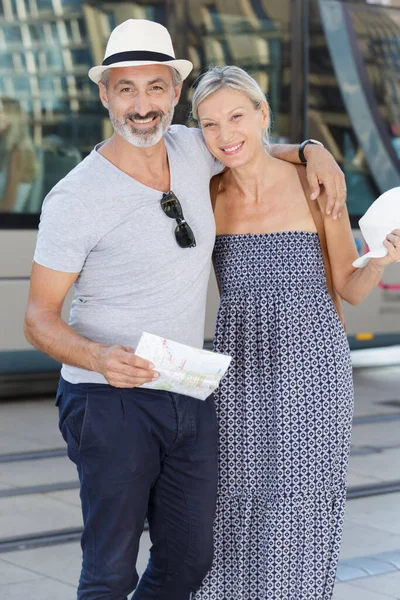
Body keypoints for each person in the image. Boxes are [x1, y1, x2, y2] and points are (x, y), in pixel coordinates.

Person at [24, 19, 346, 600]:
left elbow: (246, 142)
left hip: (187, 389)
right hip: (108, 398)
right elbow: (38, 317)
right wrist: (98, 356)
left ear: (175, 94)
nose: (142, 105)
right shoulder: (74, 197)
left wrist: (312, 150)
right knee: (110, 572)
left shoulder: (193, 148)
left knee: (193, 560)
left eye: (155, 88)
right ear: (105, 94)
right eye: (126, 88)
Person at [190, 65, 400, 600]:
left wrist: (381, 258)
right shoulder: (206, 194)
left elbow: (349, 289)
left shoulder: (314, 186)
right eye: (209, 124)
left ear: (263, 115)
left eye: (237, 116)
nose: (225, 134)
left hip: (313, 371)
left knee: (299, 506)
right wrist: (308, 145)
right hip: (238, 376)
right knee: (232, 504)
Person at [0, 97, 39, 212]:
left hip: (9, 226)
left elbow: (8, 206)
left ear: (12, 118)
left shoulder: (19, 153)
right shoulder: (9, 151)